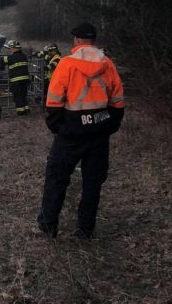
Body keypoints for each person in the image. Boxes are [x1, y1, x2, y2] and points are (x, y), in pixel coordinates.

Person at [37, 22, 125, 239]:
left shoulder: (66, 64)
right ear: (93, 41)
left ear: (76, 40)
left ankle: (48, 225)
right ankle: (85, 229)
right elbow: (118, 102)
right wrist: (109, 126)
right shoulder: (108, 64)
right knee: (93, 183)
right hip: (99, 134)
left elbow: (54, 100)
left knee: (56, 178)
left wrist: (59, 127)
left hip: (71, 133)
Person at [0, 40, 30, 115]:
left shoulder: (11, 57)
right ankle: (26, 109)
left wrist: (2, 68)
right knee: (23, 95)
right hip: (25, 79)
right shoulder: (24, 56)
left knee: (17, 96)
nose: (10, 50)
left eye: (11, 48)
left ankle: (21, 111)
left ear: (14, 48)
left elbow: (1, 60)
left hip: (16, 80)